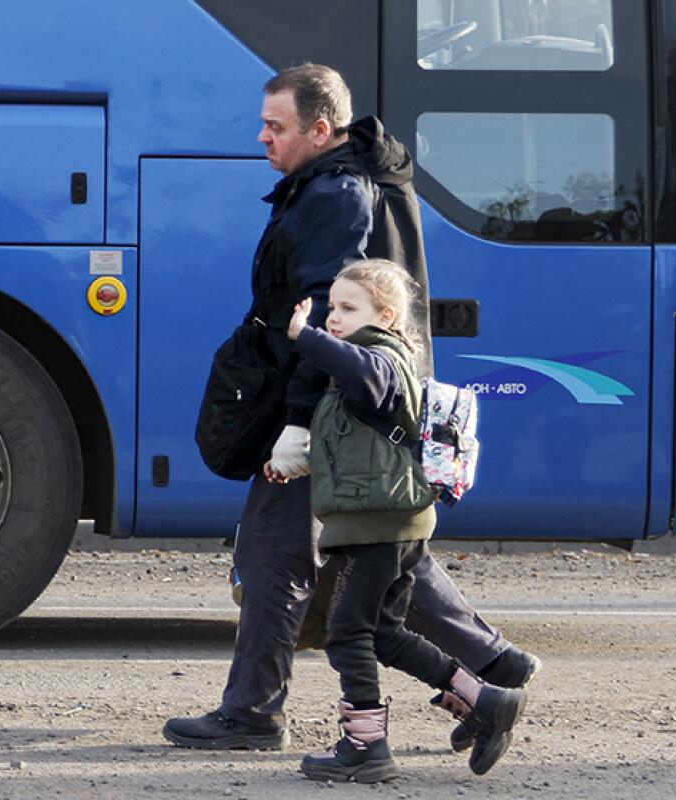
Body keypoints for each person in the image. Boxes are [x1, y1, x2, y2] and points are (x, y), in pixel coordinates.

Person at [164, 63, 537, 752]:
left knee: (278, 552)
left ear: (320, 129)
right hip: (353, 405)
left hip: (335, 407)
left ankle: (253, 713)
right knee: (379, 545)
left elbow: (323, 318)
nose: (262, 138)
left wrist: (299, 425)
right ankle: (494, 665)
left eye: (275, 126)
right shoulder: (344, 182)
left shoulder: (336, 195)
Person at [284, 261, 525, 782]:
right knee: (386, 634)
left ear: (387, 317)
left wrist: (305, 336)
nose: (334, 317)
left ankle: (365, 745)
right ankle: (483, 700)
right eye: (332, 306)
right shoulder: (361, 362)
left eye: (349, 308)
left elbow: (367, 378)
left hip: (380, 526)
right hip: (383, 521)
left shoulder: (381, 358)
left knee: (346, 634)